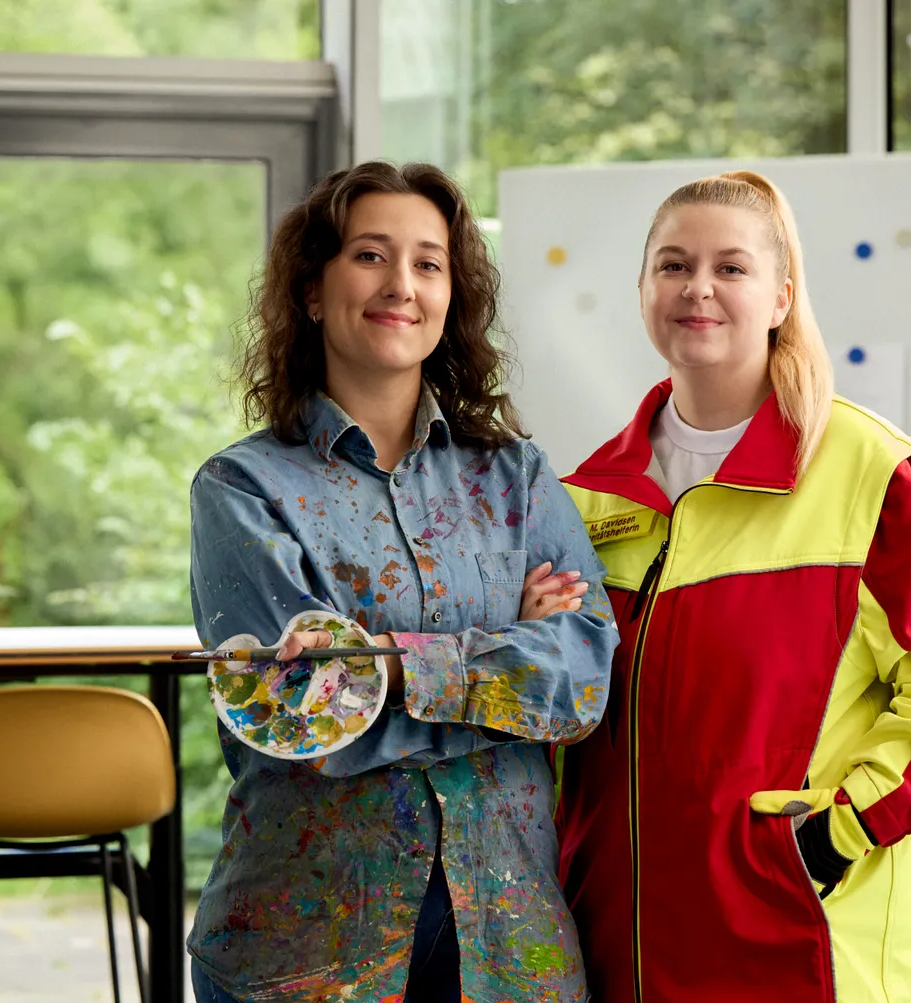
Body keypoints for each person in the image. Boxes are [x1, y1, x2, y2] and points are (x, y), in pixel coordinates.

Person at [552, 170, 911, 1003]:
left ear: (781, 295)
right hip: (620, 951)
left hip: (800, 946)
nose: (698, 287)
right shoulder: (585, 497)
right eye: (673, 265)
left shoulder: (882, 476)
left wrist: (839, 833)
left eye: (731, 268)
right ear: (642, 291)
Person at [185, 160, 617, 1003]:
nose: (401, 285)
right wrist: (502, 668)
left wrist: (381, 665)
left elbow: (582, 679)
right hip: (308, 949)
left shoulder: (515, 477)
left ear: (452, 295)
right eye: (370, 255)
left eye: (429, 262)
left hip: (508, 942)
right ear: (313, 289)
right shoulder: (242, 491)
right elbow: (308, 722)